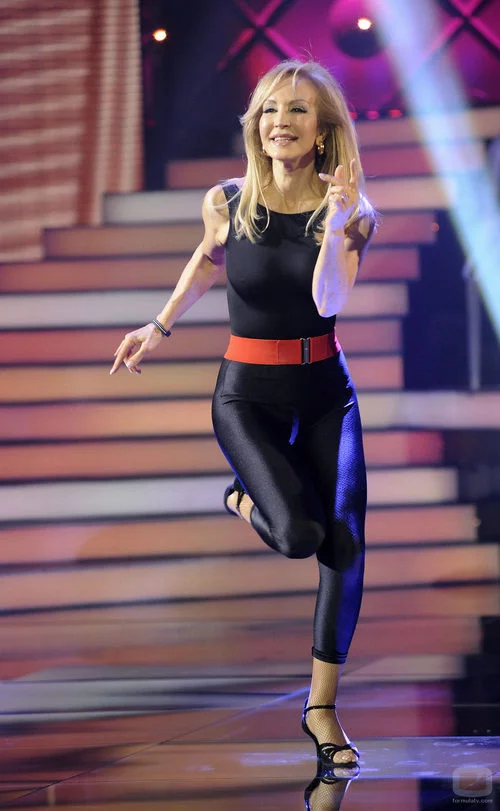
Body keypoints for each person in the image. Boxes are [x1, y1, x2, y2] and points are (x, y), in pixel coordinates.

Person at [110, 58, 377, 769]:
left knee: (343, 542)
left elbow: (329, 300)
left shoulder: (352, 214)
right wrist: (158, 325)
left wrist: (337, 223)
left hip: (326, 391)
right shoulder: (226, 201)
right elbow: (207, 260)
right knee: (297, 535)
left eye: (297, 110)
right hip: (246, 395)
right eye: (269, 110)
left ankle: (321, 709)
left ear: (323, 131)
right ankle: (241, 496)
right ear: (255, 125)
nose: (280, 122)